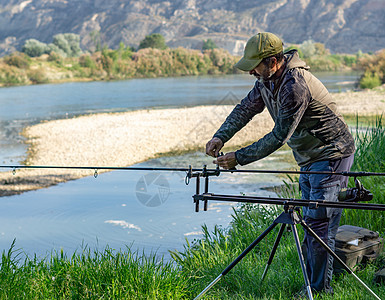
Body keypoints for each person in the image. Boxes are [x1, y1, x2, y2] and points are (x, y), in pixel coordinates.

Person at [205, 32, 355, 295]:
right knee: (312, 223)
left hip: (332, 154)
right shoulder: (267, 79)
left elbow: (278, 137)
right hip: (309, 157)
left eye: (255, 65)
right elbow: (246, 108)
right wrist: (221, 135)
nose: (251, 71)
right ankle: (315, 285)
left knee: (319, 226)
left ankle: (320, 291)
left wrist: (238, 158)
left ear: (273, 61)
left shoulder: (295, 86)